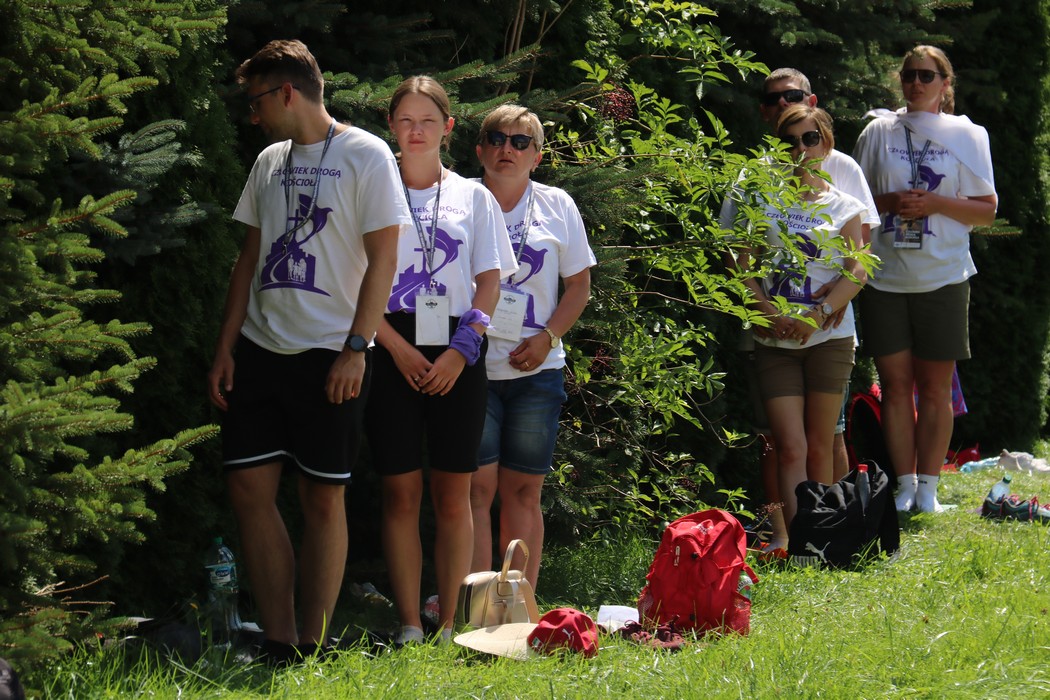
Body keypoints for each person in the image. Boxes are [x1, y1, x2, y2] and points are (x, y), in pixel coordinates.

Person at [207, 40, 410, 663]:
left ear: (287, 92)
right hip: (260, 350)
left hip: (331, 354)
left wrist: (357, 348)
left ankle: (311, 647)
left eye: (257, 102)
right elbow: (248, 258)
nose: (254, 115)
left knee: (322, 498)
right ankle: (278, 639)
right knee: (249, 491)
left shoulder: (366, 154)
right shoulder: (269, 161)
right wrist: (226, 347)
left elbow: (384, 259)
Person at [364, 76, 515, 645]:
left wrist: (461, 350)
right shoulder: (372, 192)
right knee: (400, 492)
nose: (416, 131)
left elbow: (490, 281)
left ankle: (450, 623)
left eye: (428, 120)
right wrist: (395, 347)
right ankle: (409, 622)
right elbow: (354, 282)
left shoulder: (473, 197)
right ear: (391, 127)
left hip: (458, 349)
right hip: (389, 345)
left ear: (448, 127)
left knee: (455, 495)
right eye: (405, 120)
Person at [723, 68, 880, 556]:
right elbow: (739, 259)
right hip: (773, 339)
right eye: (789, 141)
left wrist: (819, 313)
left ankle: (825, 539)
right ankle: (795, 543)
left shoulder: (846, 203)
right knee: (787, 445)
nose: (801, 148)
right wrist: (767, 311)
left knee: (822, 442)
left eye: (810, 138)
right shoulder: (760, 196)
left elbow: (859, 267)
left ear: (825, 142)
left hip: (828, 338)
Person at [853, 46, 996, 513]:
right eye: (909, 74)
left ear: (945, 84)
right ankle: (905, 486)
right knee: (895, 387)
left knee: (935, 389)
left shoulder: (968, 135)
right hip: (885, 277)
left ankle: (929, 491)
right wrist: (890, 202)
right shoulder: (878, 131)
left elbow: (986, 210)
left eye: (927, 75)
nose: (916, 83)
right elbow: (852, 201)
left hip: (944, 276)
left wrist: (934, 203)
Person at [468, 105, 596, 590]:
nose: (508, 149)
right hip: (472, 366)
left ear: (537, 156)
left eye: (521, 142)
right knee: (476, 490)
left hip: (536, 373)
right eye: (497, 139)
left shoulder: (557, 204)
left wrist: (548, 338)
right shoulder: (459, 200)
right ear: (480, 149)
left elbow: (579, 286)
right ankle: (475, 601)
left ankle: (515, 603)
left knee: (523, 491)